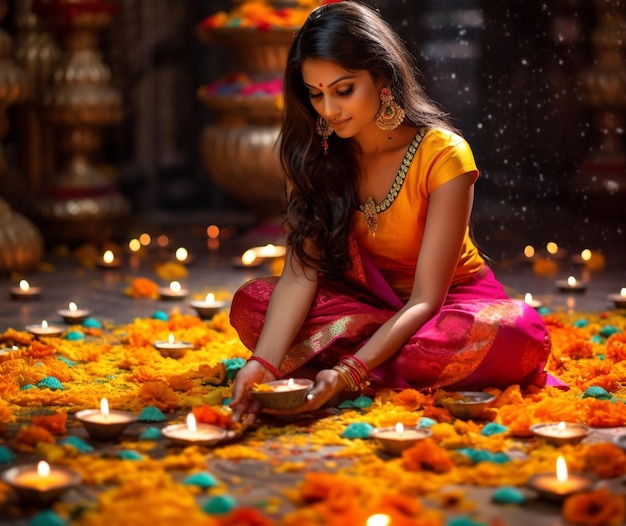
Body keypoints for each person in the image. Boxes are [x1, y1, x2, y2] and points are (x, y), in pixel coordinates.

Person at [229, 0, 551, 423]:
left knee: (515, 332)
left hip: (442, 311)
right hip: (357, 307)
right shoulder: (314, 156)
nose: (329, 110)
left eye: (344, 90)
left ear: (382, 77)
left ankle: (349, 364)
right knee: (253, 302)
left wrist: (349, 371)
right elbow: (299, 274)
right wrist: (263, 366)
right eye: (315, 94)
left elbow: (425, 299)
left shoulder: (443, 156)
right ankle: (387, 364)